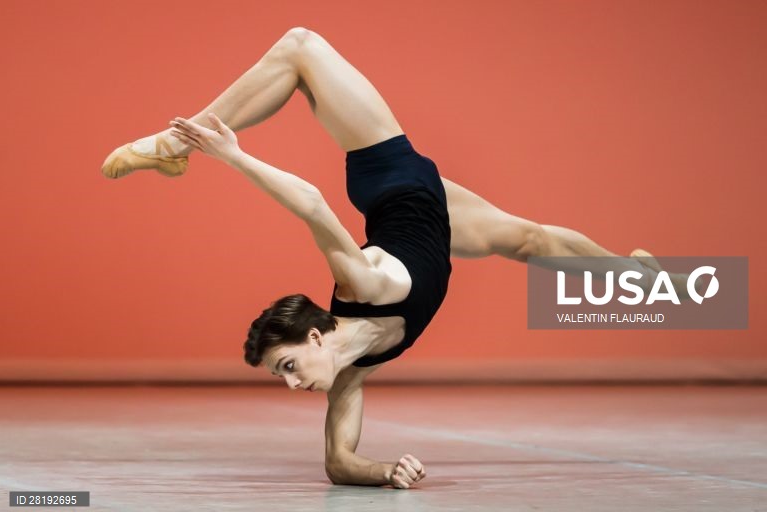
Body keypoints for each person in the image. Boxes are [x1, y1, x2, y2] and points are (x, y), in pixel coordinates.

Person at [101, 27, 686, 489]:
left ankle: (174, 145)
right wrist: (384, 472)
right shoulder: (349, 375)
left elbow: (311, 203)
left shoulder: (360, 284)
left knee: (301, 46)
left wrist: (233, 156)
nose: (292, 386)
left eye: (287, 367)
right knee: (529, 241)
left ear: (313, 339)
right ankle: (630, 271)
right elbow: (338, 462)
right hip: (436, 219)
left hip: (393, 180)